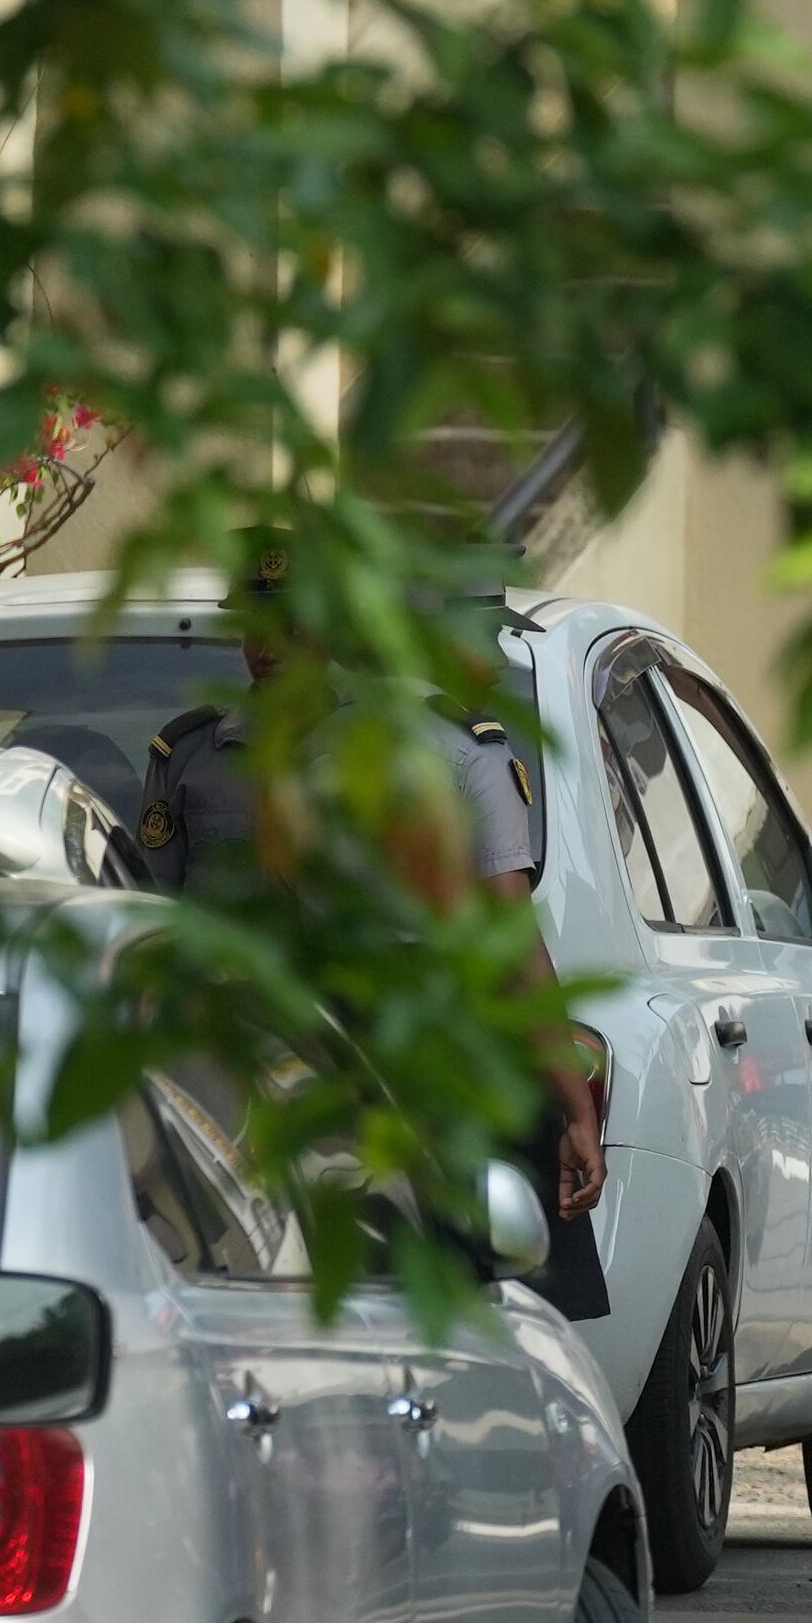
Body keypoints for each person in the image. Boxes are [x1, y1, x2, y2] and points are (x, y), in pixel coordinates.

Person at [138, 541, 609, 1308]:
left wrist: (570, 1099)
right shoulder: (204, 758)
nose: (267, 648)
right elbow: (151, 931)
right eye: (255, 624)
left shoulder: (410, 750)